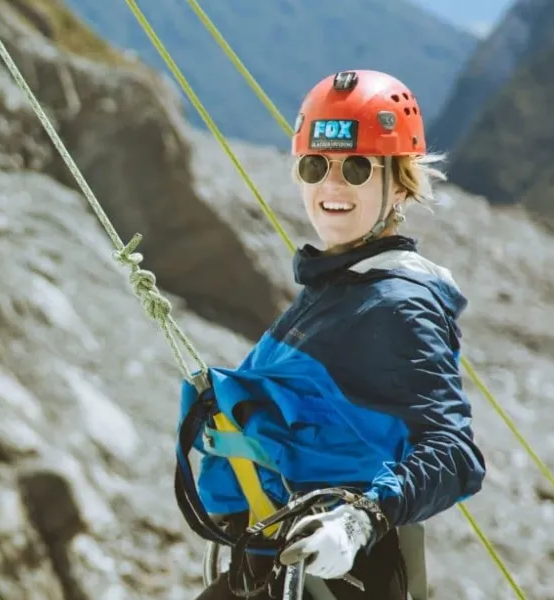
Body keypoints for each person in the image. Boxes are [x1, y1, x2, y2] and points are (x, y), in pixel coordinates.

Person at [175, 69, 487, 600]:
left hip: (336, 578)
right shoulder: (340, 284)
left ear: (400, 181)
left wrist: (359, 520)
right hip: (281, 571)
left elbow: (455, 452)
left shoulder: (398, 304)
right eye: (316, 165)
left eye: (358, 168)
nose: (333, 185)